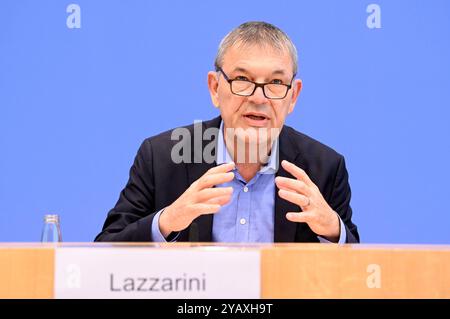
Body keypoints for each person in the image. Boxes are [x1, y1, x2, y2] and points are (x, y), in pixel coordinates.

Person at [95, 21, 359, 243]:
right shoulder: (162, 157)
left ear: (293, 96)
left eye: (276, 82)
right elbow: (105, 250)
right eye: (242, 80)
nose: (259, 98)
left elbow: (356, 275)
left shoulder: (324, 168)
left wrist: (333, 231)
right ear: (214, 88)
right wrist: (167, 221)